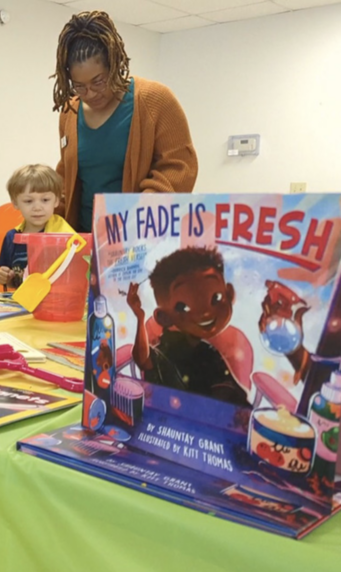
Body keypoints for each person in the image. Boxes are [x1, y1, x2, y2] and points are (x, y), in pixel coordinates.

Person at [52, 11, 198, 232]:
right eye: (79, 86)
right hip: (82, 240)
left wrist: (134, 218)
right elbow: (66, 177)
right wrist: (44, 222)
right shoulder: (70, 110)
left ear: (114, 64)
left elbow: (178, 168)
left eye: (98, 81)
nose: (89, 93)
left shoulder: (154, 100)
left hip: (139, 238)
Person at [126, 247, 249, 406]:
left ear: (229, 295)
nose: (205, 313)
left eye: (216, 298)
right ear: (163, 317)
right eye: (183, 307)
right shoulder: (166, 352)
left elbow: (232, 393)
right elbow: (143, 359)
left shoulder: (208, 352)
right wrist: (140, 317)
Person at [0, 164, 75, 289]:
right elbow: (12, 283)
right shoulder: (12, 237)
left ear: (56, 201)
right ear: (15, 203)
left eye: (45, 200)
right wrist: (6, 278)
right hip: (21, 305)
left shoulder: (65, 236)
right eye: (28, 201)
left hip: (53, 304)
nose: (37, 208)